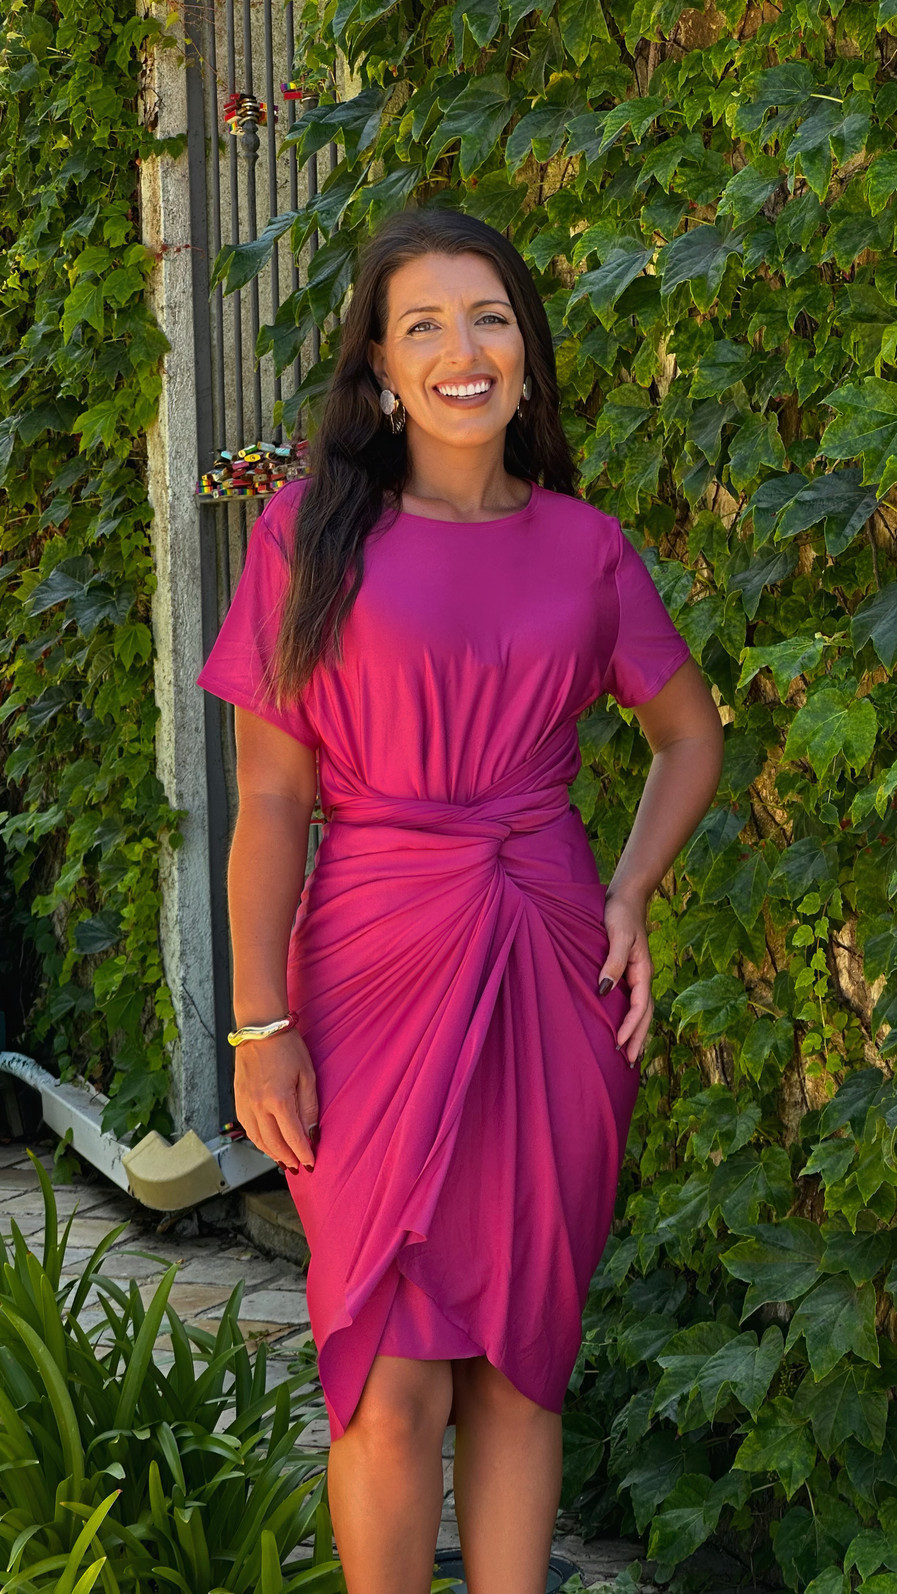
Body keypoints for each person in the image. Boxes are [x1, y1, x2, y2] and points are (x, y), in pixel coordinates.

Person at [196, 206, 724, 1594]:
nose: (461, 350)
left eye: (488, 317)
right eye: (421, 325)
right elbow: (270, 801)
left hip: (551, 965)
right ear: (378, 367)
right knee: (389, 1378)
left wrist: (628, 893)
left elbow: (689, 736)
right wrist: (258, 1023)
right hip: (367, 971)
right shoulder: (308, 537)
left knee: (518, 1365)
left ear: (526, 353)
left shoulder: (586, 546)